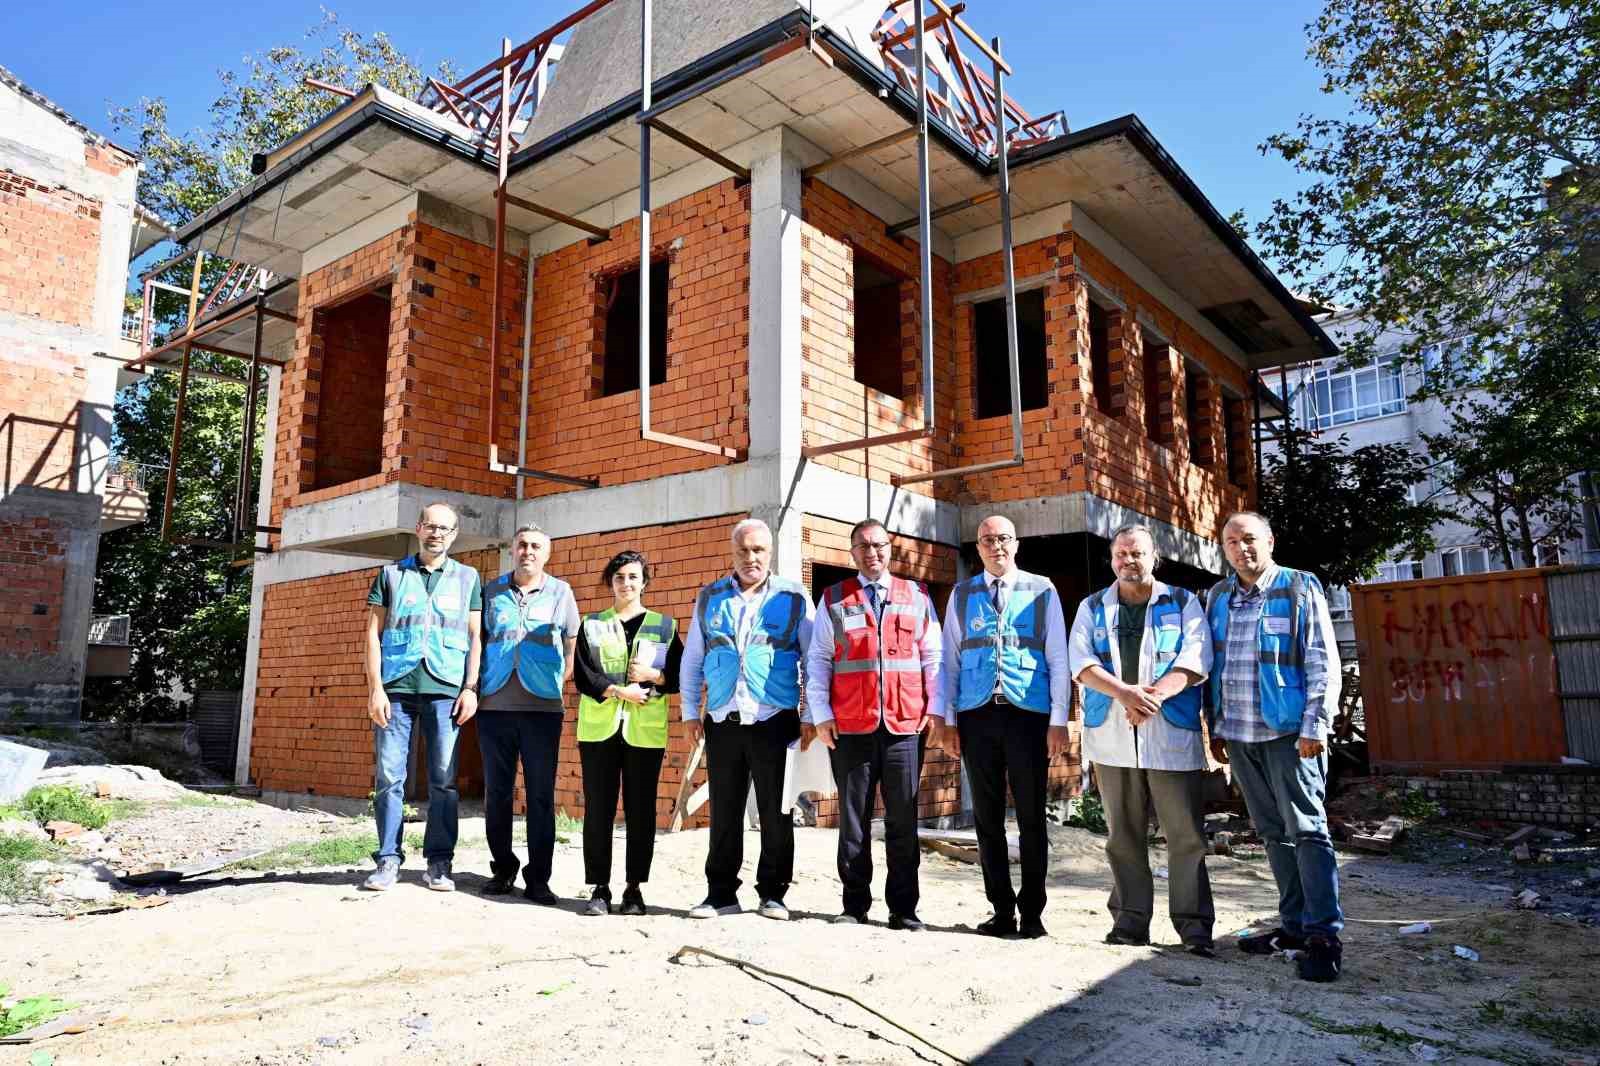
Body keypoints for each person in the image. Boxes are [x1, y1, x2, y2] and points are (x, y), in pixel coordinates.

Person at [1205, 511, 1344, 982]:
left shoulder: (1298, 587)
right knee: (1271, 832)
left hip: (1290, 735)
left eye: (1249, 539)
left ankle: (1324, 937)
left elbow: (1322, 660)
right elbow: (1214, 667)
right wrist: (1215, 728)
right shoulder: (1218, 597)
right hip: (1239, 734)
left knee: (1307, 830)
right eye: (1231, 542)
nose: (1241, 548)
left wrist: (1315, 726)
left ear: (1270, 541)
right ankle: (1294, 927)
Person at [1068, 524, 1216, 955]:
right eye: (1121, 554)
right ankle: (1130, 923)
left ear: (1155, 558)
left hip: (1169, 732)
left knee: (1185, 835)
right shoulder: (1092, 606)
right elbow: (1081, 662)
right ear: (1112, 559)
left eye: (1137, 554)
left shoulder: (1183, 602)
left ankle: (1194, 928)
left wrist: (1151, 699)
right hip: (1113, 736)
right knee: (1122, 836)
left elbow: (1196, 657)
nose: (1128, 561)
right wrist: (1126, 695)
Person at [803, 519, 944, 931]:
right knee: (853, 822)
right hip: (850, 726)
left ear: (890, 549)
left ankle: (904, 909)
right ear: (852, 553)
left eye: (879, 545)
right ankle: (854, 905)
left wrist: (935, 708)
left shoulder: (916, 595)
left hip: (904, 726)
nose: (872, 553)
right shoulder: (833, 598)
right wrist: (820, 714)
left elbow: (932, 656)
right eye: (863, 546)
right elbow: (819, 659)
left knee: (903, 820)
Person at [941, 515, 1070, 938]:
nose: (995, 546)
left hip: (1027, 715)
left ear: (1016, 544)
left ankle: (1032, 913)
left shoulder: (1042, 589)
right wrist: (948, 721)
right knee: (987, 817)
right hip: (977, 715)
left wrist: (1058, 720)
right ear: (977, 548)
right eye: (987, 540)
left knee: (1031, 816)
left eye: (1003, 538)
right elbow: (950, 662)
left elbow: (1058, 658)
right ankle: (1001, 910)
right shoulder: (962, 594)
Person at [679, 517, 814, 920]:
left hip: (775, 719)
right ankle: (720, 894)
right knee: (725, 812)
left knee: (777, 812)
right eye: (743, 550)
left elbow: (814, 660)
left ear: (769, 553)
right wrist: (690, 712)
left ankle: (773, 894)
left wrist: (810, 716)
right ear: (732, 553)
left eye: (758, 550)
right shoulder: (710, 597)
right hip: (723, 719)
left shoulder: (793, 596)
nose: (750, 557)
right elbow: (693, 659)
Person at [362, 502, 482, 892]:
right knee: (389, 777)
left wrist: (470, 687)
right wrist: (375, 689)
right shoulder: (391, 575)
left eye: (444, 529)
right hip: (396, 688)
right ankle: (388, 860)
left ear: (454, 534)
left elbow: (476, 637)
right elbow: (372, 635)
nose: (437, 534)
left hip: (445, 688)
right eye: (431, 526)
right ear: (418, 528)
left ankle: (439, 863)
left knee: (444, 780)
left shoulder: (467, 578)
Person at [573, 550, 683, 916]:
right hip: (599, 731)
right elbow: (584, 675)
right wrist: (622, 692)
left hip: (644, 733)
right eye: (619, 577)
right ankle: (599, 888)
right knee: (598, 810)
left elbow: (678, 677)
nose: (626, 583)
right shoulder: (592, 624)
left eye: (633, 576)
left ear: (644, 582)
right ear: (611, 582)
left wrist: (653, 677)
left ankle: (634, 888)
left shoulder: (664, 626)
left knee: (641, 811)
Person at [476, 524, 580, 904]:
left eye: (536, 546)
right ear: (513, 550)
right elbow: (478, 640)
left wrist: (558, 679)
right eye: (522, 545)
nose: (528, 551)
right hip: (494, 707)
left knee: (540, 796)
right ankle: (503, 868)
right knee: (497, 793)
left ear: (546, 554)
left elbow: (572, 641)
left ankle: (538, 878)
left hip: (542, 709)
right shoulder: (492, 591)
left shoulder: (561, 592)